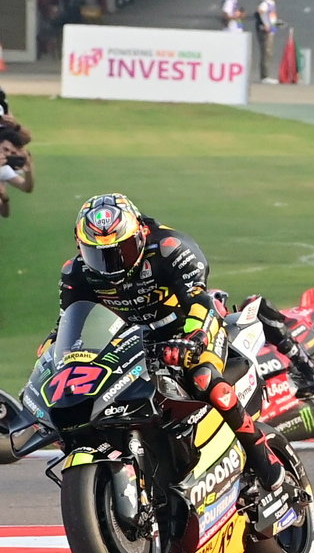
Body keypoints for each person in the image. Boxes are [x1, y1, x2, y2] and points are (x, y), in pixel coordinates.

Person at [57, 195, 298, 534]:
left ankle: (265, 462)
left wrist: (194, 336)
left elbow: (199, 298)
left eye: (120, 251)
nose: (110, 265)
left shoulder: (170, 247)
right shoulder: (75, 272)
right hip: (132, 342)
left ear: (139, 234)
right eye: (98, 255)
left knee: (201, 378)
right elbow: (69, 324)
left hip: (189, 326)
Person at [0, 116, 35, 220]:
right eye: (5, 149)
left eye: (12, 153)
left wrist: (29, 171)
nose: (6, 154)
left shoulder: (4, 169)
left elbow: (26, 187)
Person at [253, 0, 282, 83]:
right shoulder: (265, 3)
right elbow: (259, 12)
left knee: (269, 53)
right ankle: (265, 76)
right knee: (266, 52)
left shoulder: (271, 2)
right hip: (266, 30)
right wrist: (265, 24)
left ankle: (266, 75)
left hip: (271, 29)